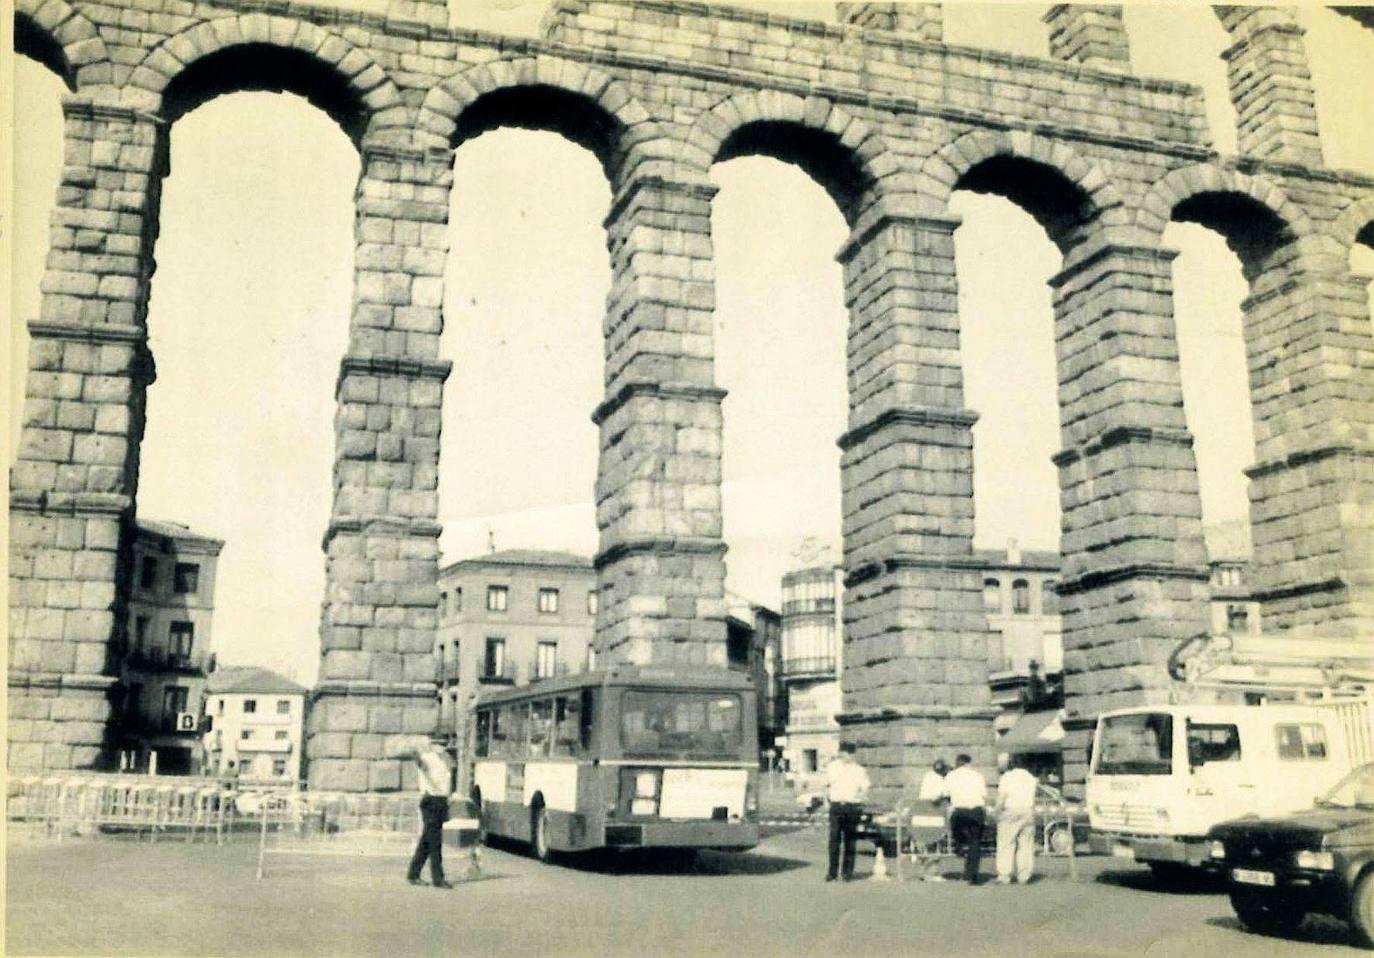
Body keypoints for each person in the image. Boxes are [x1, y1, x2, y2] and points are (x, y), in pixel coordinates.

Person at [405, 737, 455, 889]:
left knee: (426, 842)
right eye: (438, 744)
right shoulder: (428, 758)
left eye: (444, 745)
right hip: (430, 801)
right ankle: (438, 878)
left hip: (441, 801)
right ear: (432, 746)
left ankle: (413, 874)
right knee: (435, 842)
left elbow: (447, 781)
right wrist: (415, 752)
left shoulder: (445, 760)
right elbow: (420, 763)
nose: (442, 747)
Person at [823, 742, 870, 882]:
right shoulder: (832, 767)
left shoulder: (859, 770)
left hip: (851, 807)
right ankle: (832, 872)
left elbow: (865, 787)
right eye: (843, 753)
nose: (846, 756)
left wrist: (860, 798)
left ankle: (847, 873)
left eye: (849, 754)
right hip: (836, 806)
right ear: (840, 753)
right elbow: (826, 785)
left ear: (853, 754)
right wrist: (827, 802)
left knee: (850, 841)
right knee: (834, 840)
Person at [994, 753, 1039, 884]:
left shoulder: (1007, 777)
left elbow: (1002, 797)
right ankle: (1024, 875)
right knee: (1026, 844)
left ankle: (1005, 875)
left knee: (1006, 843)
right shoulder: (1031, 778)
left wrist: (997, 811)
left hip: (1010, 810)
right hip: (1027, 810)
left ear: (1011, 763)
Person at [944, 753, 988, 885]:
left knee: (958, 833)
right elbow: (983, 794)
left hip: (960, 810)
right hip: (976, 810)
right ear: (969, 763)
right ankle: (972, 874)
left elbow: (946, 794)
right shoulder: (978, 775)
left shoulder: (951, 776)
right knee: (975, 842)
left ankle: (959, 846)